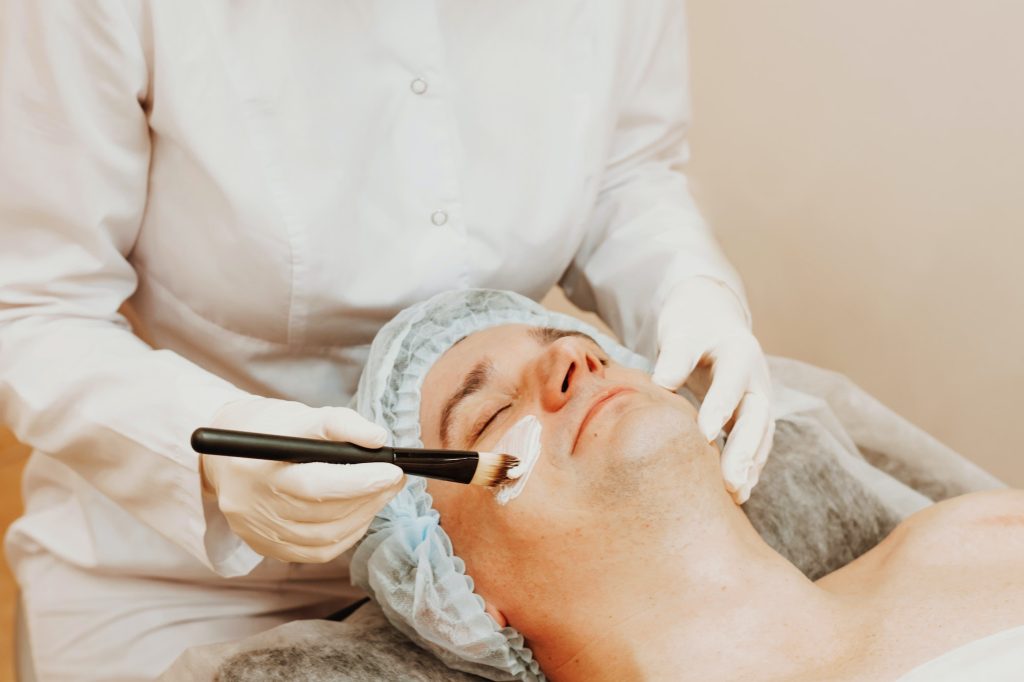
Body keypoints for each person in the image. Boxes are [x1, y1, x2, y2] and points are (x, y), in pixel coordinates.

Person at [0, 2, 775, 680]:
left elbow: (627, 173)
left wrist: (690, 291)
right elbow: (31, 306)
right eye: (484, 413)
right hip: (178, 574)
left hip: (518, 565)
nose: (572, 361)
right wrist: (204, 456)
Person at [379, 318, 1024, 681]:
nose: (575, 355)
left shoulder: (977, 536)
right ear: (455, 597)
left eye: (593, 349)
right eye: (489, 414)